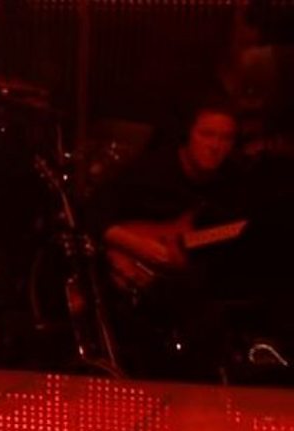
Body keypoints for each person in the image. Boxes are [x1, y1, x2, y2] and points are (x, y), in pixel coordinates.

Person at [86, 101, 251, 378]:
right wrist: (139, 247)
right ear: (188, 135)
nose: (215, 146)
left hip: (194, 282)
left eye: (225, 138)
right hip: (136, 283)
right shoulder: (152, 170)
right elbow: (93, 212)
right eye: (207, 134)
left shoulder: (233, 181)